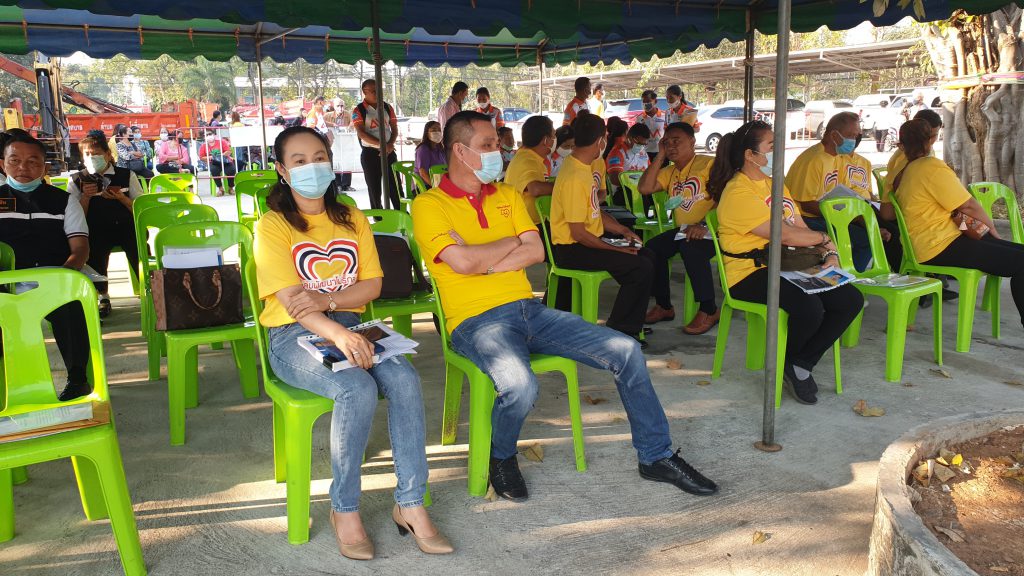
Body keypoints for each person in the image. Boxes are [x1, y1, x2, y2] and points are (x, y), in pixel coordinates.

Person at [411, 110, 718, 502]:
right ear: (459, 151)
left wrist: (483, 257)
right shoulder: (429, 205)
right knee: (520, 386)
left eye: (496, 145)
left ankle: (655, 455)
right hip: (474, 322)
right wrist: (506, 246)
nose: (497, 153)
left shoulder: (506, 195)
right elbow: (463, 263)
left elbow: (535, 251)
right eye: (487, 145)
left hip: (529, 310)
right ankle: (501, 456)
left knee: (626, 350)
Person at [254, 126, 451, 560]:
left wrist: (330, 305)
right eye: (299, 161)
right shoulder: (272, 225)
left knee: (404, 379)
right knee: (355, 387)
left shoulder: (351, 217)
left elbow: (372, 285)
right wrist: (337, 330)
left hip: (349, 323)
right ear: (282, 170)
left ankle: (411, 503)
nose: (312, 167)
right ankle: (344, 509)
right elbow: (292, 303)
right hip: (292, 334)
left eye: (319, 157)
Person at [710, 120, 863, 405]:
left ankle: (799, 362)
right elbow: (786, 234)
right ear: (750, 154)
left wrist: (828, 252)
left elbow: (799, 225)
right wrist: (824, 238)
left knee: (850, 300)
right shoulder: (738, 192)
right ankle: (793, 364)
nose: (777, 151)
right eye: (771, 145)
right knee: (810, 308)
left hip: (788, 264)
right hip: (749, 273)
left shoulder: (774, 184)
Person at [892, 118, 1024, 327]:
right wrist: (992, 232)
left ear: (902, 144)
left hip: (934, 241)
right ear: (931, 139)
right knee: (1020, 264)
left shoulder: (903, 171)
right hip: (939, 245)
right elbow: (968, 206)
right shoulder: (931, 167)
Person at [0, 131, 92, 401]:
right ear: (3, 164)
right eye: (14, 160)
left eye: (32, 161)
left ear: (44, 166)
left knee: (72, 308)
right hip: (5, 286)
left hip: (53, 282)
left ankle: (78, 379)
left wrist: (64, 277)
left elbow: (80, 249)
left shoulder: (64, 201)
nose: (23, 168)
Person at [551, 112, 656, 346]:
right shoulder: (574, 175)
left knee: (647, 254)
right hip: (572, 249)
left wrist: (622, 231)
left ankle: (631, 323)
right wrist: (616, 249)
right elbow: (578, 233)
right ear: (601, 141)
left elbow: (595, 211)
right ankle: (620, 331)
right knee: (640, 267)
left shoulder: (583, 167)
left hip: (586, 242)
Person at [638, 122, 720, 334]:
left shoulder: (709, 164)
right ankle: (664, 306)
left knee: (691, 249)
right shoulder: (669, 171)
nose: (671, 146)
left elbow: (726, 198)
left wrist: (704, 224)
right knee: (651, 248)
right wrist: (660, 156)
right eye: (667, 142)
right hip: (684, 230)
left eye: (677, 141)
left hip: (714, 230)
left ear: (692, 142)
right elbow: (644, 188)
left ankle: (709, 309)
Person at [784, 111, 876, 271]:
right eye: (850, 136)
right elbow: (806, 204)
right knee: (862, 239)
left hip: (825, 215)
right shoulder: (813, 160)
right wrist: (842, 218)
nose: (854, 141)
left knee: (870, 234)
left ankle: (847, 275)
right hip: (804, 219)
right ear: (834, 135)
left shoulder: (838, 158)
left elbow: (843, 193)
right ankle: (845, 276)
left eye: (856, 136)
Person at [67, 131, 143, 319]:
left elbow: (141, 209)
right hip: (95, 227)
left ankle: (147, 288)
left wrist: (122, 198)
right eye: (87, 154)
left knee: (138, 246)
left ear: (108, 155)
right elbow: (75, 217)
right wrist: (86, 197)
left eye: (96, 154)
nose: (91, 158)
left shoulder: (126, 175)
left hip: (126, 226)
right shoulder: (76, 180)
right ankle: (103, 296)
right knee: (93, 249)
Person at [352, 79, 401, 211]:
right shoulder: (359, 110)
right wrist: (381, 145)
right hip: (370, 153)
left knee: (395, 185)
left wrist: (389, 144)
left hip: (389, 151)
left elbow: (394, 128)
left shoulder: (387, 107)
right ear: (364, 92)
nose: (377, 94)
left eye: (379, 90)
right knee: (374, 188)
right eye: (374, 91)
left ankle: (400, 212)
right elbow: (361, 133)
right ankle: (379, 216)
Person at [504, 114, 555, 227]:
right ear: (545, 140)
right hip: (527, 226)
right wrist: (562, 185)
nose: (554, 140)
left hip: (530, 223)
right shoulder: (527, 160)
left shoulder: (529, 156)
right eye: (553, 135)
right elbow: (535, 189)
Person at [606, 123, 651, 193]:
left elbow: (650, 171)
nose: (641, 147)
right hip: (624, 192)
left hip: (642, 191)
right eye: (638, 143)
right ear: (629, 137)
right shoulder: (617, 152)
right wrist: (636, 182)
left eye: (643, 144)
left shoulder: (643, 153)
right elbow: (614, 178)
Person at [199, 129, 236, 196]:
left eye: (210, 134)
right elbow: (201, 157)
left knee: (231, 170)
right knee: (214, 170)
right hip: (214, 163)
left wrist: (221, 155)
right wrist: (209, 157)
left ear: (213, 135)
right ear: (204, 137)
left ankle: (230, 188)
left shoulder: (222, 142)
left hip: (225, 161)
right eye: (206, 135)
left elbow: (228, 151)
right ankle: (220, 189)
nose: (209, 136)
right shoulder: (203, 146)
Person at [639, 89, 666, 164]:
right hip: (645, 153)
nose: (646, 104)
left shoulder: (664, 116)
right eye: (644, 102)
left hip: (661, 152)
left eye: (648, 101)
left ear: (655, 101)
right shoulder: (639, 118)